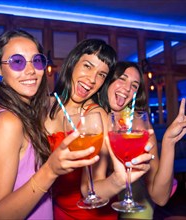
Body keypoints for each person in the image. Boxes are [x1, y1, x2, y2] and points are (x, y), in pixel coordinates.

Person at [0, 29, 99, 219]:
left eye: (37, 60)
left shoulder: (4, 111)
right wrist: (50, 170)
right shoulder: (7, 122)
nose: (31, 70)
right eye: (17, 62)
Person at [45, 39, 155, 219]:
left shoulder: (96, 115)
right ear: (73, 63)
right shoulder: (45, 106)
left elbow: (90, 187)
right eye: (88, 66)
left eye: (102, 74)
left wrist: (118, 180)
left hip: (93, 214)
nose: (92, 79)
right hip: (54, 211)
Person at [98, 61, 186, 219]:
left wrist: (168, 142)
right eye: (122, 78)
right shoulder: (92, 117)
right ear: (108, 81)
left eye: (134, 85)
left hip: (135, 208)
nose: (127, 88)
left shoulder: (139, 125)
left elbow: (160, 197)